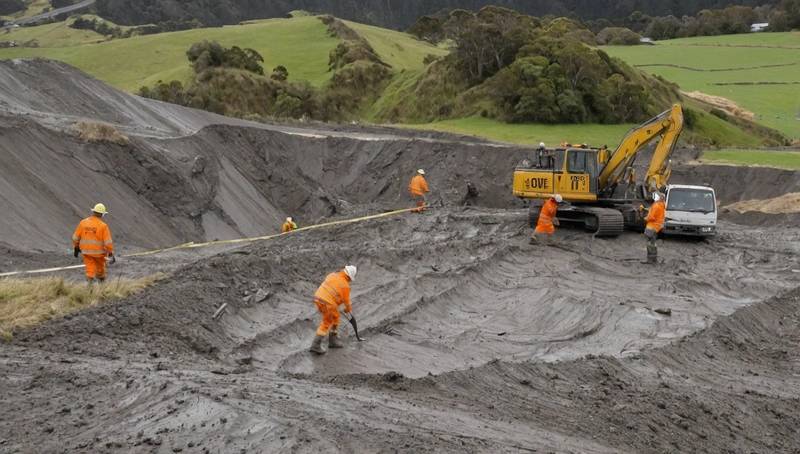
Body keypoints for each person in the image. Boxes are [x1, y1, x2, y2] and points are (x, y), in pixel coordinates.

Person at [310, 265, 357, 354]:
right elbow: (346, 302)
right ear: (349, 276)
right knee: (326, 322)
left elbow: (332, 290)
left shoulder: (332, 275)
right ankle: (315, 345)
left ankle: (333, 340)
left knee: (335, 316)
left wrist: (337, 302)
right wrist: (348, 311)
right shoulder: (345, 285)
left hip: (317, 298)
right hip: (327, 302)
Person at [72, 203, 115, 284]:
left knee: (90, 269)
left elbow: (75, 237)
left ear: (94, 212)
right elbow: (108, 242)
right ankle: (102, 285)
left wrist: (76, 247)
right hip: (99, 253)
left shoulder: (83, 223)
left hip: (86, 252)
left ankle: (89, 285)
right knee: (100, 270)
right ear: (102, 214)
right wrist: (110, 253)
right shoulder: (103, 226)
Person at [643, 193, 666, 263]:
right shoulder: (662, 205)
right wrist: (646, 209)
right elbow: (656, 213)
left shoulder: (656, 205)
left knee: (649, 243)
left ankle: (650, 259)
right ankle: (654, 259)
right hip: (657, 226)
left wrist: (645, 218)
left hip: (651, 226)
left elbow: (651, 217)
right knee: (653, 242)